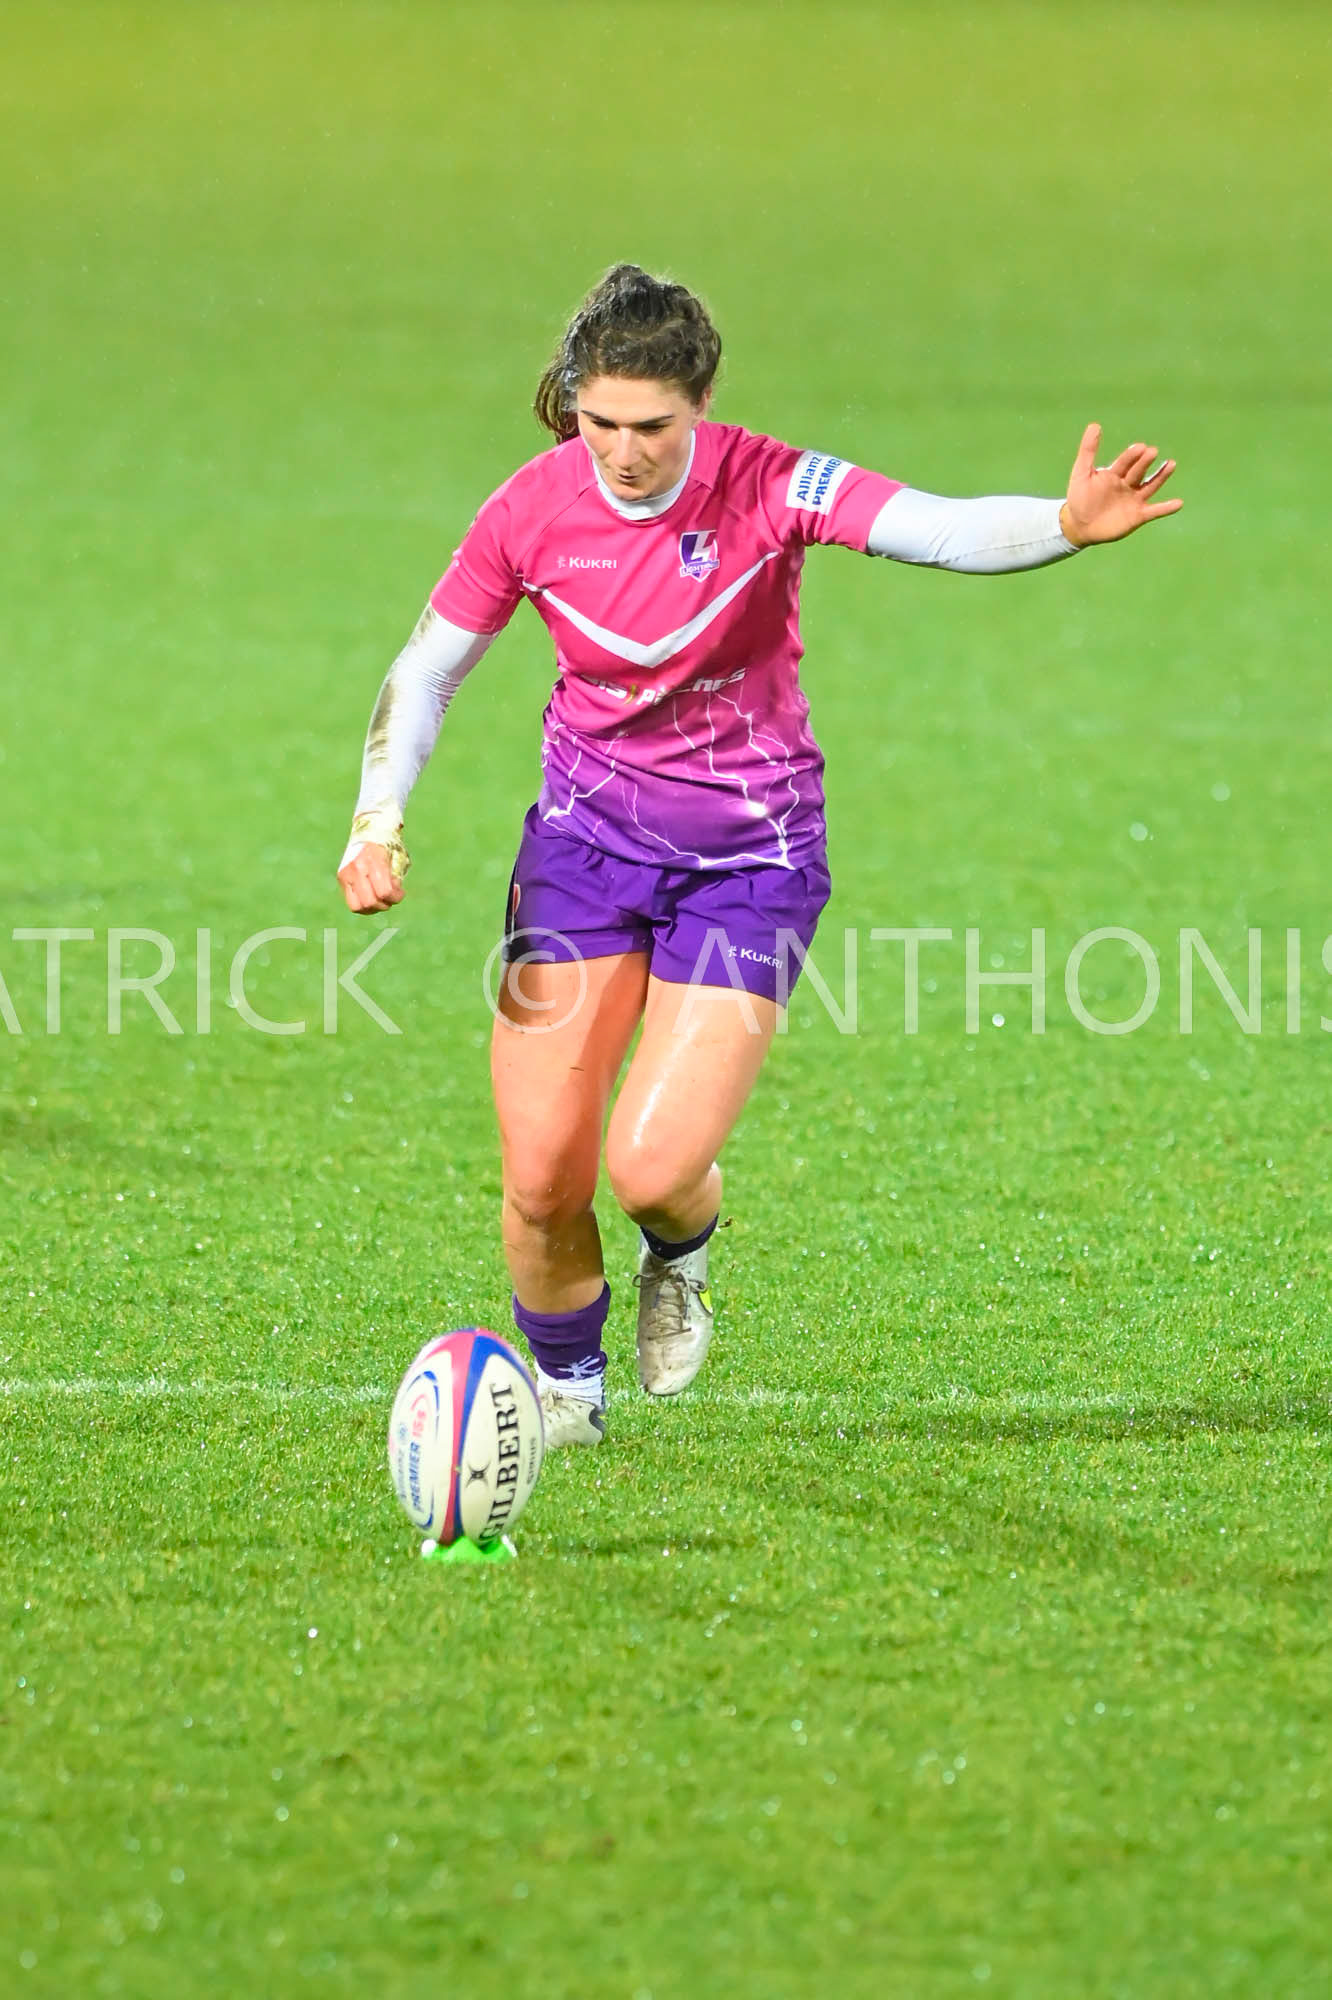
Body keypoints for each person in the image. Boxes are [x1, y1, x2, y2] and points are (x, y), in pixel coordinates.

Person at [337, 263, 1181, 1447]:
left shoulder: (771, 481)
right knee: (539, 1173)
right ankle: (569, 1390)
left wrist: (1064, 525)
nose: (622, 451)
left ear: (702, 404)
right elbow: (428, 668)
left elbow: (934, 526)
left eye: (651, 426)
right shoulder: (529, 509)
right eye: (598, 421)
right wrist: (377, 817)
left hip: (750, 864)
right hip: (582, 854)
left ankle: (678, 1248)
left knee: (648, 1167)